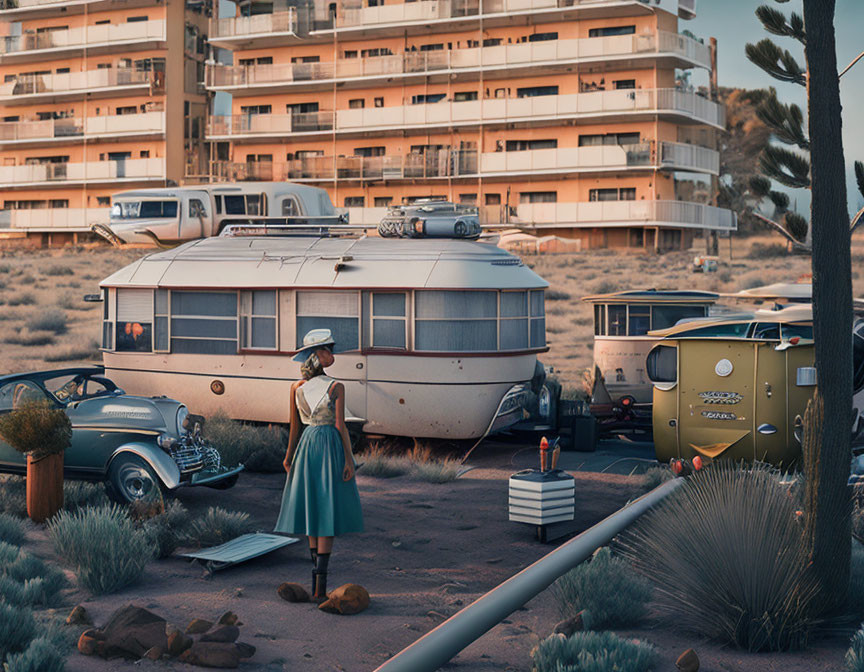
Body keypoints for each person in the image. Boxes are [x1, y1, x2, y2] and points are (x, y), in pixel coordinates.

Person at [275, 328, 364, 602]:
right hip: (328, 446)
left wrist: (289, 455)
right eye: (328, 349)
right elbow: (340, 427)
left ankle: (316, 585)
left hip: (306, 447)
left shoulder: (296, 388)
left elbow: (294, 428)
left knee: (313, 511)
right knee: (326, 511)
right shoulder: (336, 386)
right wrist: (350, 459)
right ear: (317, 355)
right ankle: (319, 589)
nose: (332, 354)